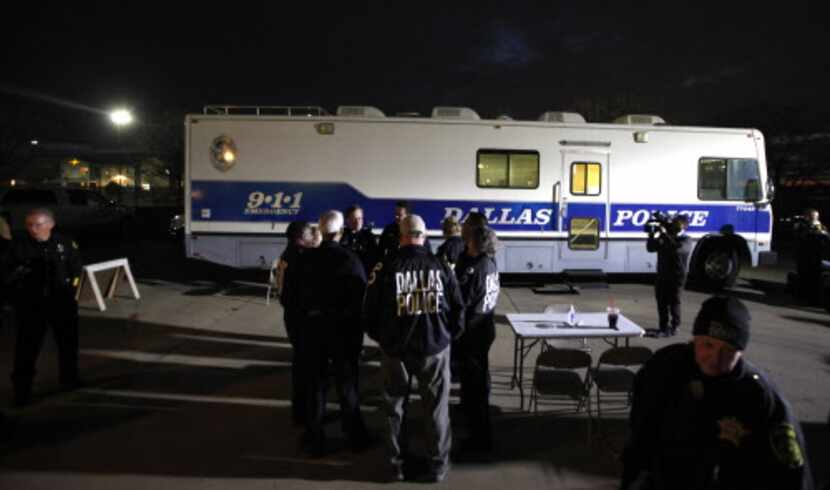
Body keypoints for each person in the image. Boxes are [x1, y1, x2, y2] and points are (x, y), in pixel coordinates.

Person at [621, 296, 814, 490]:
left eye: (728, 350)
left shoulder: (761, 396)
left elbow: (793, 473)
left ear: (741, 352)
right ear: (695, 338)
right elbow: (639, 437)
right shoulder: (664, 369)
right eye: (708, 345)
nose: (715, 359)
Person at [363, 214, 465, 482]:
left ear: (401, 235)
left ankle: (395, 464)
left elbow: (369, 310)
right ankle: (438, 465)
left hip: (395, 349)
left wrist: (382, 339)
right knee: (436, 409)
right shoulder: (440, 265)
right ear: (424, 235)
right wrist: (447, 337)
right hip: (434, 348)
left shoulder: (386, 266)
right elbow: (458, 307)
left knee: (394, 408)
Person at [294, 210, 369, 456]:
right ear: (340, 232)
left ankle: (314, 438)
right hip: (343, 332)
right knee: (347, 383)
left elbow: (293, 298)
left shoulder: (305, 259)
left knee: (316, 385)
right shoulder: (350, 260)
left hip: (313, 331)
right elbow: (360, 299)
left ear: (321, 231)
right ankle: (355, 435)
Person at [1, 208, 83, 407]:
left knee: (68, 345)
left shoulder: (64, 243)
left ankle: (69, 380)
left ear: (50, 224)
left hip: (61, 303)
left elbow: (77, 270)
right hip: (32, 306)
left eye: (38, 224)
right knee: (26, 350)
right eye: (29, 225)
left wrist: (74, 293)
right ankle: (22, 390)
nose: (33, 229)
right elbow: (6, 274)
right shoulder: (19, 247)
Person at [454, 225, 500, 454]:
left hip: (473, 333)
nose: (466, 241)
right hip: (485, 328)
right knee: (477, 384)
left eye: (469, 238)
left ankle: (479, 440)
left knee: (475, 389)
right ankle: (479, 432)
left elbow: (462, 299)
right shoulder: (490, 262)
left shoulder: (477, 268)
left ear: (477, 243)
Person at [276, 220, 312, 426]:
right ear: (300, 237)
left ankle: (299, 411)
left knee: (299, 363)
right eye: (308, 234)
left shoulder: (286, 256)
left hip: (290, 316)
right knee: (304, 367)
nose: (311, 237)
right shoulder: (298, 258)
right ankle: (302, 413)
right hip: (300, 318)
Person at [646, 214, 692, 337]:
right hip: (662, 274)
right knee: (661, 302)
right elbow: (650, 248)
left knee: (674, 302)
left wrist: (665, 234)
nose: (673, 227)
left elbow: (676, 250)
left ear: (683, 227)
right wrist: (651, 235)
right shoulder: (665, 237)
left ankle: (675, 326)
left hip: (677, 276)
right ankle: (663, 327)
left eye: (676, 225)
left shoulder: (686, 240)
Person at [340, 204, 378, 273]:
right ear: (347, 220)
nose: (358, 222)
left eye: (360, 218)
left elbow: (373, 259)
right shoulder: (340, 235)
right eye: (354, 218)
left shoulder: (369, 237)